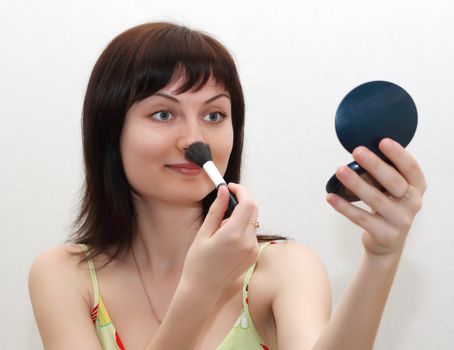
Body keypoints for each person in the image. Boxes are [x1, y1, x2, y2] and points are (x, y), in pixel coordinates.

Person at [28, 22, 426, 350]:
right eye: (163, 113)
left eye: (215, 115)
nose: (192, 138)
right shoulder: (65, 276)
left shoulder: (283, 268)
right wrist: (200, 290)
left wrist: (382, 258)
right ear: (109, 130)